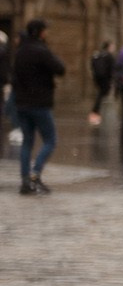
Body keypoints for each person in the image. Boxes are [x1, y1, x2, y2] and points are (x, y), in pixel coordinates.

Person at [12, 18, 66, 195]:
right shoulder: (41, 51)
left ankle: (25, 180)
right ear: (41, 32)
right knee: (50, 140)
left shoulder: (20, 51)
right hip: (40, 103)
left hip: (22, 103)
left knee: (27, 142)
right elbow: (60, 68)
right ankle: (35, 174)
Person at [88, 41, 115, 125]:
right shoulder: (109, 56)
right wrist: (111, 80)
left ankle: (98, 112)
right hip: (105, 79)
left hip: (98, 78)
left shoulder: (97, 54)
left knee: (101, 94)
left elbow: (92, 65)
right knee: (101, 95)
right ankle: (96, 112)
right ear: (109, 47)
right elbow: (112, 69)